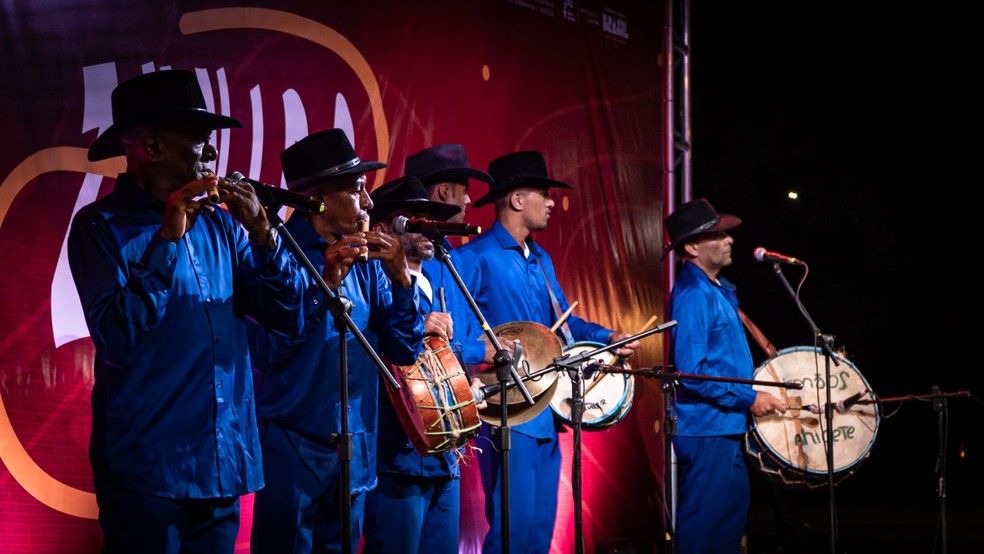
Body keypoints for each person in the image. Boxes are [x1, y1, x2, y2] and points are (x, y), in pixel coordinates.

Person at [67, 69, 307, 553]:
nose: (213, 154)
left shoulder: (222, 228)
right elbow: (118, 339)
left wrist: (264, 239)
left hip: (223, 463)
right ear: (153, 148)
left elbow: (288, 322)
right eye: (198, 141)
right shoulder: (101, 226)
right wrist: (167, 239)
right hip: (149, 473)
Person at [248, 129, 424, 553]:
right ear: (319, 199)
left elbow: (402, 351)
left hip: (355, 453)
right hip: (294, 451)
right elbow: (268, 350)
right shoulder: (276, 254)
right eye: (358, 190)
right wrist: (323, 285)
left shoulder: (366, 262)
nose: (368, 203)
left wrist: (402, 281)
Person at [455, 150, 641, 553]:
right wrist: (483, 352)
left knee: (540, 528)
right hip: (509, 411)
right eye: (543, 193)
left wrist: (608, 337)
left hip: (547, 409)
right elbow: (456, 338)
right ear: (517, 200)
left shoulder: (541, 259)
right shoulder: (473, 258)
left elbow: (564, 324)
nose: (552, 202)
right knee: (512, 529)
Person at [662, 197, 788, 554]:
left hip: (724, 427)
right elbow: (691, 372)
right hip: (706, 428)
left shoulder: (716, 290)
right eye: (717, 234)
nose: (729, 239)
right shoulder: (692, 294)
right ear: (692, 246)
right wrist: (750, 397)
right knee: (703, 529)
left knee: (726, 526)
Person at [361, 175, 472, 553]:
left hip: (442, 455)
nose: (427, 227)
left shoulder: (439, 280)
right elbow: (388, 350)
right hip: (397, 459)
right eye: (413, 218)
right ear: (382, 228)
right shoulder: (372, 284)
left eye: (430, 218)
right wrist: (417, 324)